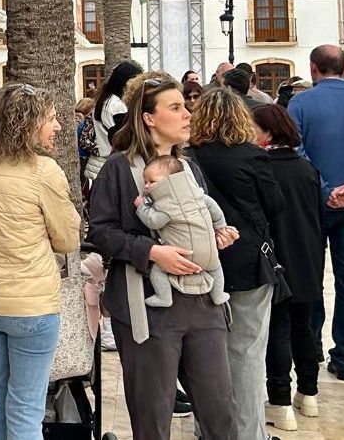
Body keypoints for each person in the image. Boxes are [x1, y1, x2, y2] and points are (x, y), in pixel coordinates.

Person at [87, 72, 240, 440]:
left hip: (203, 303)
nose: (187, 113)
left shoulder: (191, 167)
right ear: (149, 118)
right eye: (175, 107)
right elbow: (101, 233)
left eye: (185, 106)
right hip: (146, 309)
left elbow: (196, 221)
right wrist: (153, 252)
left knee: (220, 411)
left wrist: (216, 236)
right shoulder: (118, 169)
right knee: (152, 418)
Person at [0, 83, 81, 440]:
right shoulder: (43, 171)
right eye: (51, 119)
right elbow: (68, 240)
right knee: (26, 408)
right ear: (30, 123)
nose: (58, 126)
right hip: (31, 306)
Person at [188, 87, 284, 440]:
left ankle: (208, 430)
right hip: (247, 262)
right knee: (246, 353)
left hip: (199, 261)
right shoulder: (251, 156)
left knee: (205, 356)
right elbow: (275, 204)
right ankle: (247, 434)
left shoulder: (188, 157)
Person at [286, 44, 344, 382]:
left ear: (313, 68)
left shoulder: (299, 104)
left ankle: (310, 345)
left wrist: (325, 189)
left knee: (309, 276)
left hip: (311, 204)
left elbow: (295, 151)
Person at [254, 103, 325, 430]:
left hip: (277, 258)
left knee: (278, 330)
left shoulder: (261, 167)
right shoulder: (307, 168)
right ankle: (309, 394)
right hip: (308, 256)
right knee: (304, 327)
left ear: (268, 132)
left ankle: (280, 402)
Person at [135, 155, 229, 308]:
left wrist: (141, 207)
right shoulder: (197, 194)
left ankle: (164, 297)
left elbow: (153, 221)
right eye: (145, 182)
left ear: (170, 181)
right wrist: (221, 226)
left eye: (152, 181)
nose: (146, 186)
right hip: (209, 254)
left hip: (181, 256)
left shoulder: (166, 205)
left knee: (157, 270)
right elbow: (214, 208)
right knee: (216, 268)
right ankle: (218, 294)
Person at [88, 61, 142, 185]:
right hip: (115, 160)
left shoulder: (104, 100)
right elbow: (125, 137)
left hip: (105, 158)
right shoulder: (116, 105)